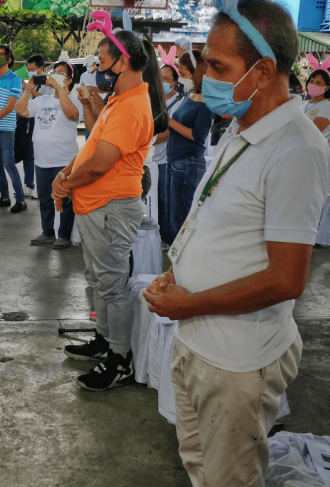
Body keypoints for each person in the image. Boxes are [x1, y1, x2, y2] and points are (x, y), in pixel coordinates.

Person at [143, 0, 330, 487]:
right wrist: (177, 273)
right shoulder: (242, 129)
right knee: (200, 466)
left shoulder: (295, 149)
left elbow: (287, 279)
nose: (201, 76)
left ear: (264, 72)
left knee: (230, 478)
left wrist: (191, 302)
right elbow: (214, 217)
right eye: (204, 60)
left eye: (217, 65)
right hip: (198, 339)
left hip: (237, 359)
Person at [55, 30, 157, 390]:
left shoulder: (131, 106)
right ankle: (104, 339)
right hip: (95, 205)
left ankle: (120, 359)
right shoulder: (118, 99)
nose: (97, 67)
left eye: (102, 60)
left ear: (123, 61)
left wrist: (67, 182)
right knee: (98, 279)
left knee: (112, 285)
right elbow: (92, 147)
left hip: (111, 206)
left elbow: (100, 164)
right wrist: (67, 173)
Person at [16, 61, 81, 249]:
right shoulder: (43, 100)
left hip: (64, 160)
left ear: (68, 80)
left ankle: (64, 235)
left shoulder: (74, 99)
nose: (54, 76)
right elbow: (21, 110)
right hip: (42, 159)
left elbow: (72, 114)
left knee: (65, 200)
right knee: (45, 199)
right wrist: (28, 90)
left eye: (60, 73)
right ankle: (47, 232)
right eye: (54, 72)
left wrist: (59, 90)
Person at [167, 50, 213, 240]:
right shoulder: (188, 95)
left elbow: (198, 136)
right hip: (175, 160)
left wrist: (169, 122)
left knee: (183, 219)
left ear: (197, 73)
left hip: (189, 164)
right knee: (174, 218)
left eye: (184, 73)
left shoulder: (205, 101)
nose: (181, 77)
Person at [0, 44, 27, 213]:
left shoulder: (15, 79)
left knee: (9, 164)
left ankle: (21, 200)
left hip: (6, 129)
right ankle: (4, 197)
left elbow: (11, 105)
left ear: (9, 60)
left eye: (1, 55)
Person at [152, 61, 184, 247]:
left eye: (166, 79)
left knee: (165, 201)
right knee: (152, 200)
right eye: (160, 78)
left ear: (174, 83)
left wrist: (148, 142)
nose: (162, 82)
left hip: (163, 159)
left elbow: (169, 131)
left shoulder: (177, 102)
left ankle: (166, 238)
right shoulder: (154, 99)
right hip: (148, 159)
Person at [17, 54, 52, 200]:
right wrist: (26, 90)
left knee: (39, 156)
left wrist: (29, 89)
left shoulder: (48, 83)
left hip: (44, 124)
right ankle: (29, 185)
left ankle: (40, 187)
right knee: (28, 155)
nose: (30, 72)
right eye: (28, 69)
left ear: (41, 68)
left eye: (33, 69)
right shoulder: (28, 82)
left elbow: (47, 101)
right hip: (27, 122)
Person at [302, 68, 330, 152]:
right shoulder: (302, 104)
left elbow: (314, 131)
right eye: (312, 82)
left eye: (318, 83)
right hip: (300, 150)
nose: (313, 85)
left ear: (327, 87)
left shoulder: (326, 107)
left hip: (315, 152)